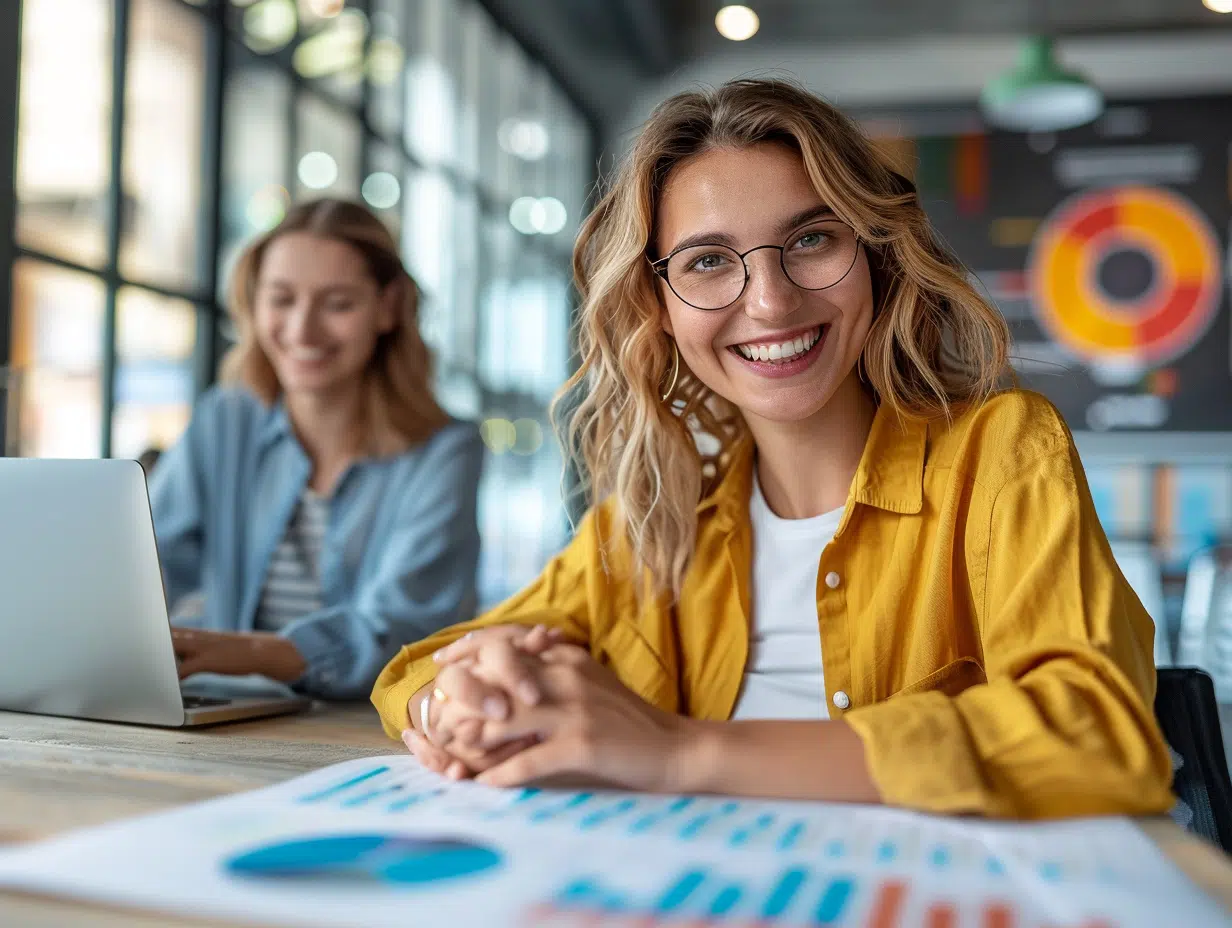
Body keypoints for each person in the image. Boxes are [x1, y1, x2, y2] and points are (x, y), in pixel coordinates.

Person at [371, 79, 1174, 818]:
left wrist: (680, 752)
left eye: (813, 240)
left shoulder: (998, 453)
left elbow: (1097, 735)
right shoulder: (652, 524)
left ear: (876, 257)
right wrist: (469, 703)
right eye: (709, 261)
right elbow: (423, 668)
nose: (770, 299)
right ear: (659, 307)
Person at [151, 199, 484, 699]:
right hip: (228, 710)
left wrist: (255, 655)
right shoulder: (225, 420)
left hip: (373, 728)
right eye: (281, 299)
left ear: (388, 307)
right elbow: (150, 559)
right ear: (253, 303)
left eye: (338, 304)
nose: (302, 330)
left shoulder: (445, 451)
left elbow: (405, 627)